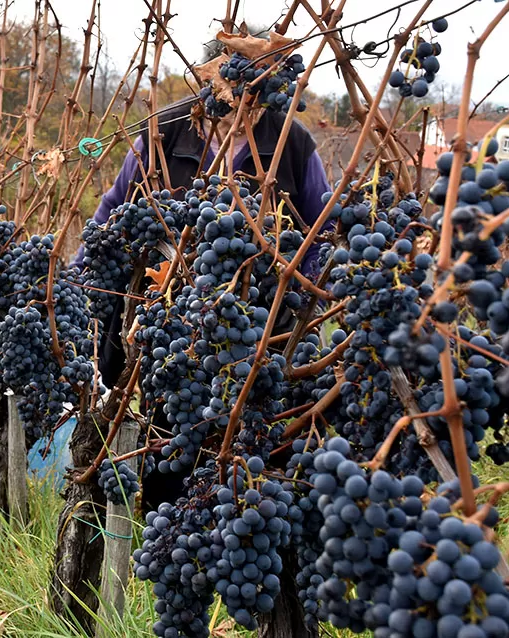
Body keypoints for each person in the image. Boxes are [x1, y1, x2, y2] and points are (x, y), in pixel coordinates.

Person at [73, 50, 332, 511]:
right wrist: (76, 289)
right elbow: (112, 213)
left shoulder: (293, 142)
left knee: (259, 464)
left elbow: (323, 233)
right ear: (215, 78)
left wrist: (293, 295)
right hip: (172, 339)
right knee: (172, 452)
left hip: (259, 338)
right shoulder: (163, 132)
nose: (244, 95)